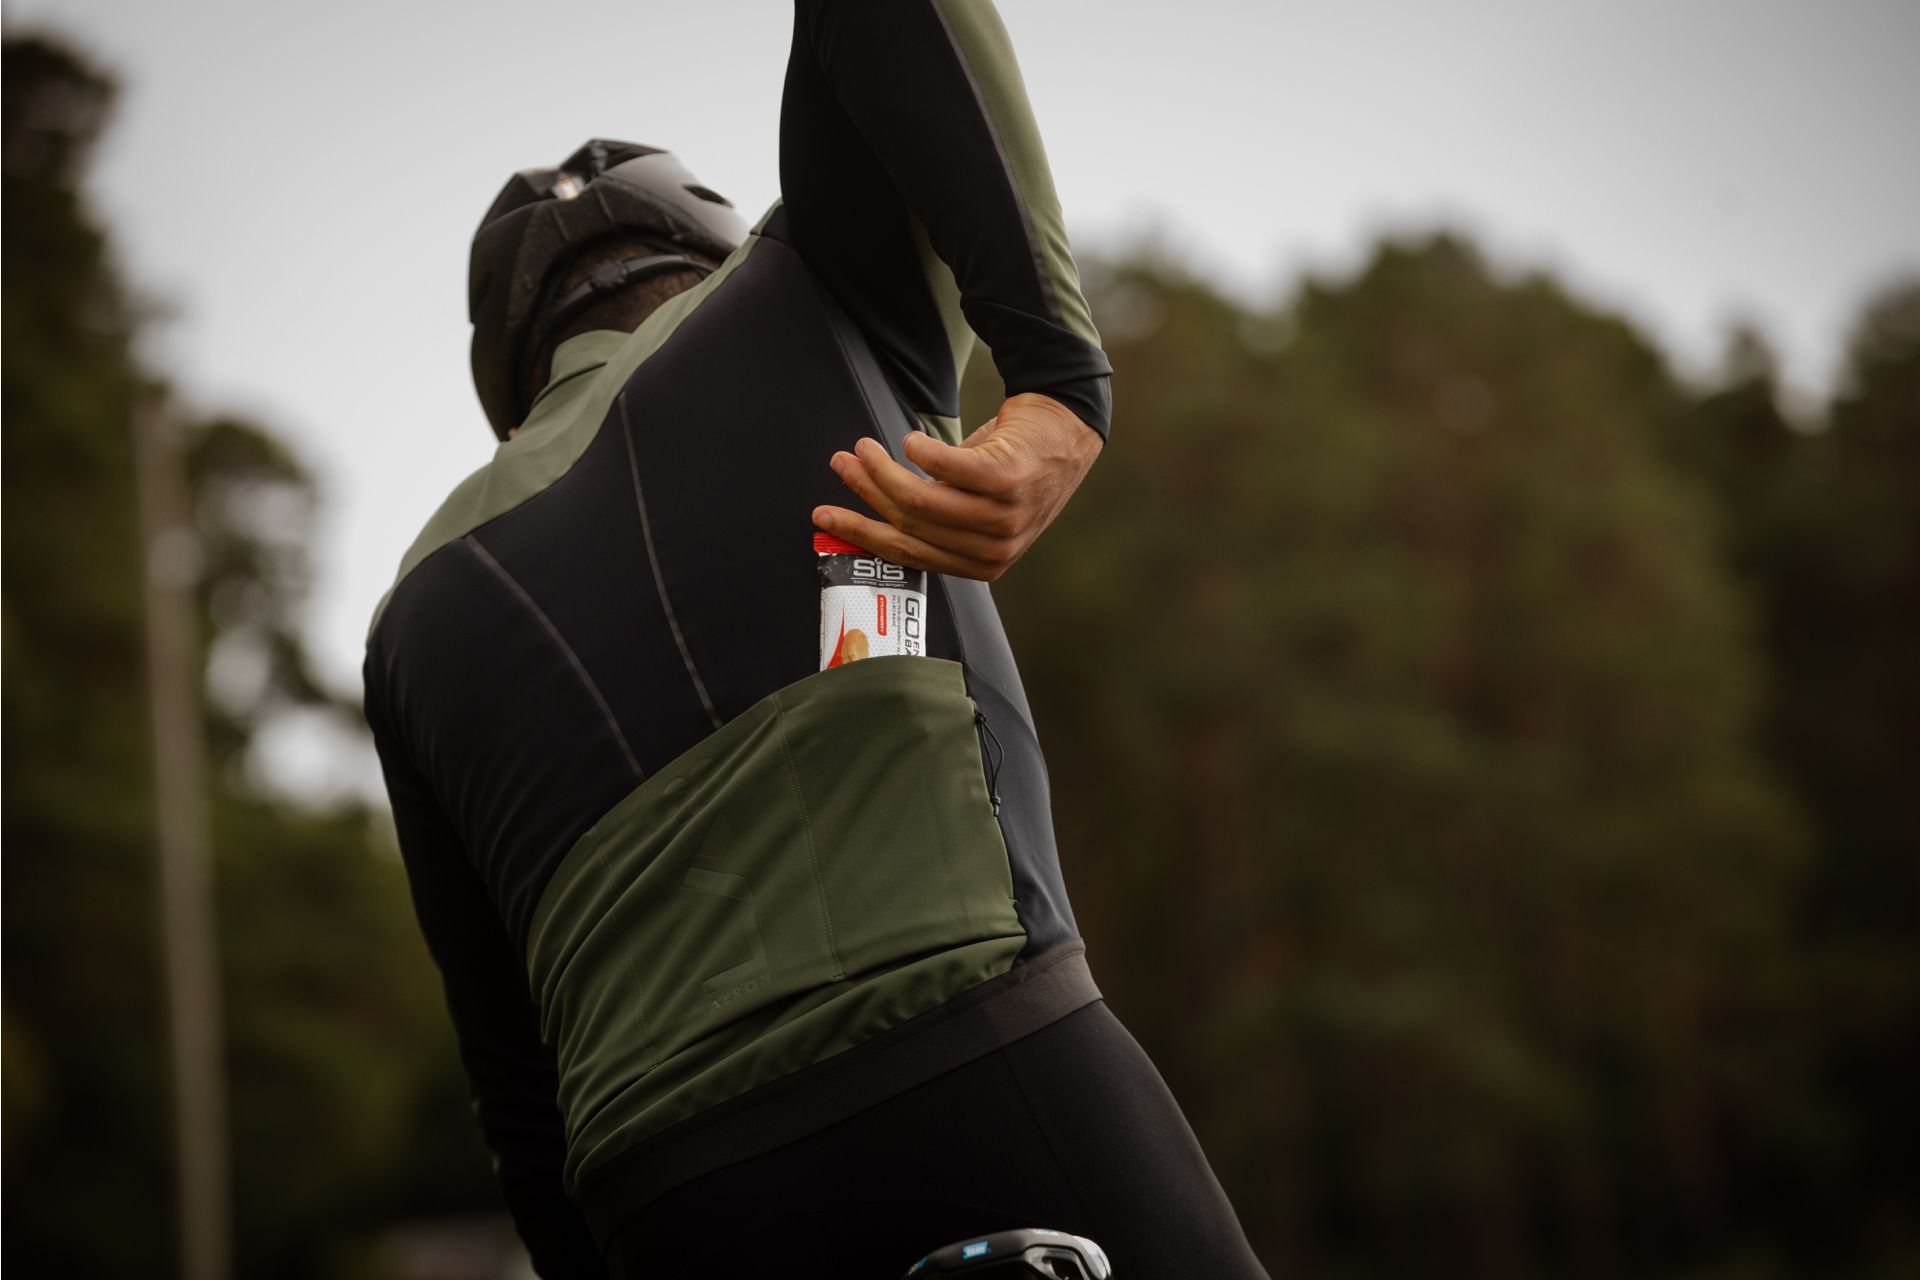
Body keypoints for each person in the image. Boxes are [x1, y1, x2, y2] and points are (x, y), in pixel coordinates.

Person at [363, 2, 1269, 1276]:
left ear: (512, 373)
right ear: (708, 253)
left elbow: (518, 1092)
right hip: (979, 1060)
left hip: (666, 1196)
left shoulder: (409, 618)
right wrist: (1059, 382)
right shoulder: (809, 298)